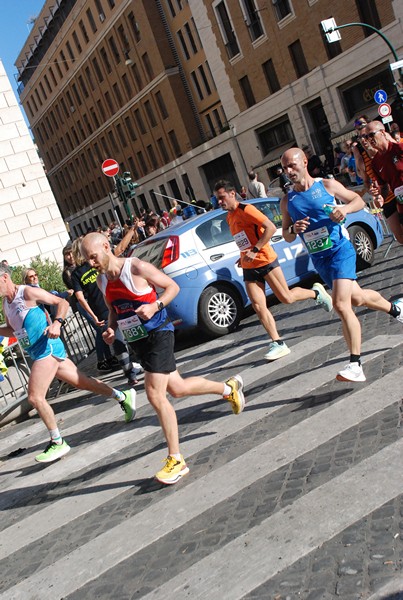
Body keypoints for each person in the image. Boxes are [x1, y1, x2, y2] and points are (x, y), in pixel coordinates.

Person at [81, 232, 245, 485]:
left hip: (159, 332)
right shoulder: (103, 280)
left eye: (93, 257)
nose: (91, 264)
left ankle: (176, 460)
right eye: (87, 260)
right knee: (177, 388)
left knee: (155, 394)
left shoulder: (136, 267)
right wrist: (112, 329)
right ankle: (228, 389)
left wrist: (155, 306)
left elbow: (172, 287)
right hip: (138, 340)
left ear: (106, 247)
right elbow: (113, 308)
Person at [280, 147, 403, 382]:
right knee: (356, 298)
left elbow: (357, 199)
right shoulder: (287, 201)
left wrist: (344, 210)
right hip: (320, 258)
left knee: (340, 304)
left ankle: (356, 364)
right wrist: (293, 230)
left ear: (304, 162)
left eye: (292, 165)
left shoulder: (326, 185)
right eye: (285, 168)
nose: (288, 171)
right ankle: (396, 309)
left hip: (340, 251)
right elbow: (286, 234)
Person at [0, 263, 136, 463]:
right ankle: (123, 396)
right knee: (84, 382)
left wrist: (57, 323)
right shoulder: (6, 304)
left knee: (35, 397)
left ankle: (57, 442)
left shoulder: (27, 292)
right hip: (38, 351)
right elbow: (14, 331)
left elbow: (61, 303)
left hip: (48, 349)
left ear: (4, 278)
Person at [213, 180, 333, 361]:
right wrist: (245, 255)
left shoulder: (247, 210)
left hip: (265, 260)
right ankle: (278, 342)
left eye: (222, 198)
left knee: (286, 297)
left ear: (232, 194)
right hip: (249, 266)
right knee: (259, 306)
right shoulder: (229, 217)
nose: (220, 202)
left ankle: (316, 293)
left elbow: (270, 227)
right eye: (217, 199)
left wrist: (254, 251)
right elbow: (245, 239)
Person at [71, 239, 140, 384]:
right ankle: (135, 368)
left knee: (121, 337)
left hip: (106, 306)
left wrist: (93, 315)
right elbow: (80, 297)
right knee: (125, 335)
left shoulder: (84, 269)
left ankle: (132, 371)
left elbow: (80, 297)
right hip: (110, 304)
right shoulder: (88, 266)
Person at [364, 120, 403, 233]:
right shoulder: (375, 163)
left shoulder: (399, 149)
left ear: (382, 132)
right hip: (401, 203)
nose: (369, 139)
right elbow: (384, 187)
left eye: (371, 134)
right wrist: (380, 197)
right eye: (366, 137)